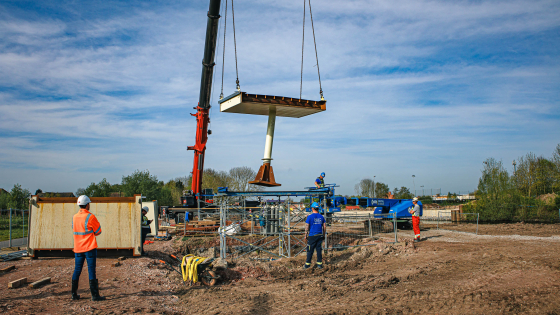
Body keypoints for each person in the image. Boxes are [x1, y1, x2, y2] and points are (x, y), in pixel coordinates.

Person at [72, 195, 105, 301]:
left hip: (78, 248)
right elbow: (98, 231)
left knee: (77, 270)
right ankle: (95, 295)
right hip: (89, 248)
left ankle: (74, 294)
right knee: (91, 270)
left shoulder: (74, 217)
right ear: (87, 205)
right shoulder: (90, 217)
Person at [304, 202, 326, 269]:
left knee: (310, 250)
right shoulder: (321, 217)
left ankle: (307, 265)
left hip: (312, 236)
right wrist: (324, 235)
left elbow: (307, 226)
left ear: (312, 208)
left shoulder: (310, 217)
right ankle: (319, 264)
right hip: (319, 235)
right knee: (319, 250)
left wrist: (305, 235)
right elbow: (324, 227)